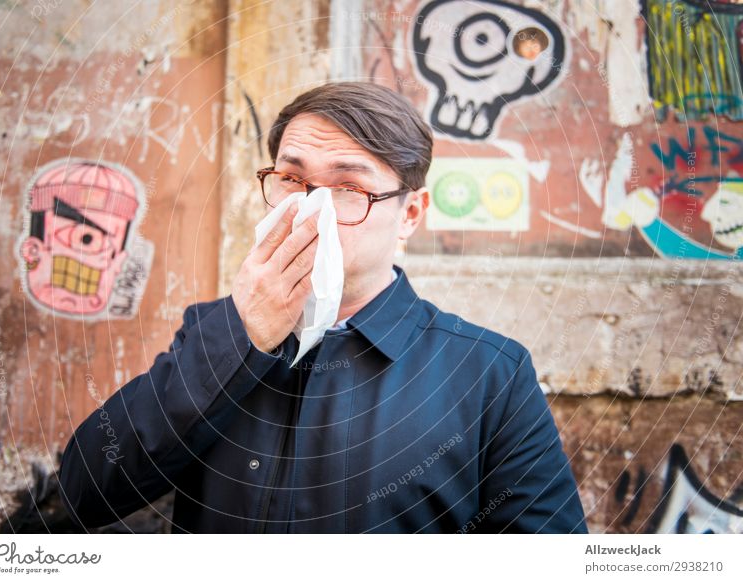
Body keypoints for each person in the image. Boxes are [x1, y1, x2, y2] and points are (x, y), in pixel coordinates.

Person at [58, 81, 588, 533]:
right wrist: (242, 337)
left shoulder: (488, 373)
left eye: (349, 186)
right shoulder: (213, 330)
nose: (312, 209)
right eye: (292, 178)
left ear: (409, 215)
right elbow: (86, 488)